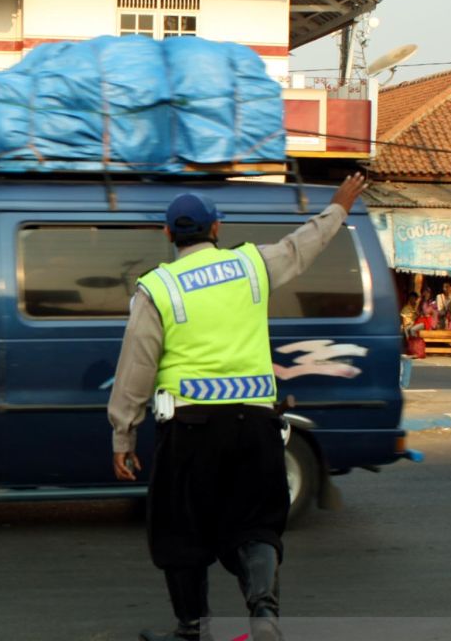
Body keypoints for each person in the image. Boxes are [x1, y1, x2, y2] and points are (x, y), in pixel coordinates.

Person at [108, 173, 368, 641]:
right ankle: (263, 611)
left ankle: (192, 630)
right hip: (256, 427)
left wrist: (123, 435)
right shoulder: (251, 265)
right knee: (255, 526)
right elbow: (301, 246)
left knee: (180, 534)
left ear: (169, 235)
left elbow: (135, 369)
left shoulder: (157, 289)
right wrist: (338, 207)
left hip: (189, 432)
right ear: (216, 229)